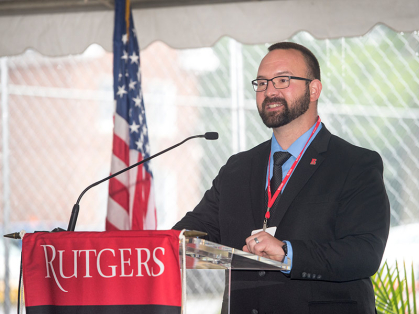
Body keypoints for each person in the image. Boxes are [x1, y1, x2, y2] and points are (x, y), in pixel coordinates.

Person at [173, 42, 390, 314]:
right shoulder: (236, 169)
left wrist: (289, 254)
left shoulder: (355, 164)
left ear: (314, 89)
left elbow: (364, 253)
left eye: (282, 80)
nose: (269, 90)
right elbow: (188, 234)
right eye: (262, 82)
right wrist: (149, 245)